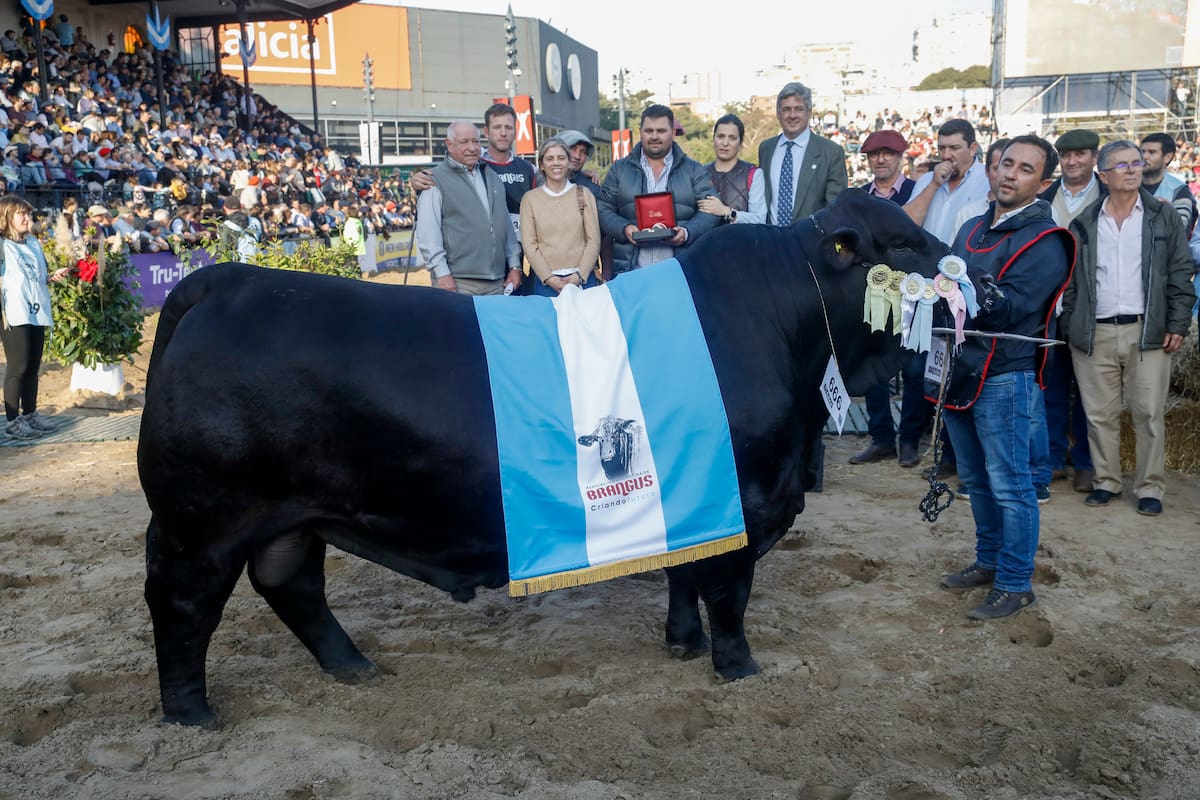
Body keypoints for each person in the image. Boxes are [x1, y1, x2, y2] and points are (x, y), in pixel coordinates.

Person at [937, 135, 1073, 619]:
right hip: (960, 368)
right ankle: (989, 560)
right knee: (975, 478)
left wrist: (966, 291)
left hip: (1004, 374)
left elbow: (1012, 308)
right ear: (994, 169)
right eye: (1006, 164)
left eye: (1025, 169)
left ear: (1044, 182)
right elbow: (945, 290)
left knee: (1011, 485)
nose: (1010, 174)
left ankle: (1016, 582)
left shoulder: (1048, 239)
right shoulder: (972, 226)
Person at [1060, 140, 1196, 517]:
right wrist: (1072, 325)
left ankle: (1150, 487)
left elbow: (1180, 272)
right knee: (1098, 414)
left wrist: (1177, 323)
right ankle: (1106, 482)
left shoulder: (1162, 216)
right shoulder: (1084, 222)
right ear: (1103, 175)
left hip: (1146, 331)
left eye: (1137, 162)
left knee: (1148, 413)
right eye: (1122, 165)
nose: (1134, 169)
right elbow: (1070, 281)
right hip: (1094, 331)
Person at [848, 129, 922, 466]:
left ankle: (908, 440)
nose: (880, 159)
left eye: (888, 153)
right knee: (874, 367)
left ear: (901, 157)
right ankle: (881, 437)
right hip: (872, 293)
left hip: (914, 293)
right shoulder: (860, 196)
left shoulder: (916, 191)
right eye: (874, 154)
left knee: (914, 370)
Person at [1039, 129, 1105, 493]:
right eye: (1066, 155)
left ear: (1094, 157)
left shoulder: (1110, 197)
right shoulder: (1044, 199)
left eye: (1080, 154)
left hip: (1094, 308)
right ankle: (1051, 460)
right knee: (1050, 386)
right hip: (1051, 306)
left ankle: (1084, 462)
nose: (1072, 161)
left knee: (1088, 391)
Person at [597, 104, 718, 276]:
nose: (654, 136)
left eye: (661, 131)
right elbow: (603, 208)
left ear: (673, 133)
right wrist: (624, 229)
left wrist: (686, 232)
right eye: (649, 131)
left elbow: (711, 211)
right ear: (640, 132)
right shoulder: (619, 169)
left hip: (679, 272)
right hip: (631, 272)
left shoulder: (693, 169)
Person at [415, 120, 522, 296]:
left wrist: (515, 265)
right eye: (464, 142)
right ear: (449, 145)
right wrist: (442, 274)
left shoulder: (493, 178)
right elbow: (427, 234)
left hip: (497, 282)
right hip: (457, 282)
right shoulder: (434, 180)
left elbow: (506, 227)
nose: (472, 147)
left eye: (476, 141)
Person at [1, 195, 69, 440]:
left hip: (37, 310)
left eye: (28, 214)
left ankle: (30, 415)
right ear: (7, 217)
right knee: (17, 367)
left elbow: (33, 277)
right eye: (22, 214)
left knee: (32, 367)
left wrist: (51, 277)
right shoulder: (1, 245)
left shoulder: (33, 244)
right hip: (14, 312)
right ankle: (12, 422)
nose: (27, 218)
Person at [518, 139, 600, 296]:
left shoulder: (584, 194)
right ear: (541, 164)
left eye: (561, 158)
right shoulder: (530, 199)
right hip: (545, 284)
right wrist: (548, 277)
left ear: (569, 162)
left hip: (582, 280)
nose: (556, 163)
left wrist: (579, 275)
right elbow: (530, 244)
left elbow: (593, 240)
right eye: (550, 158)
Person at [758, 82, 847, 226]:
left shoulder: (831, 152)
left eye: (799, 109)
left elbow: (836, 208)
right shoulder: (766, 149)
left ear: (809, 112)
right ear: (778, 113)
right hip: (770, 242)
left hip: (811, 244)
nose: (792, 115)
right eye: (786, 109)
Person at [904, 118, 991, 245]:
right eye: (941, 148)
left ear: (972, 148)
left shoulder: (987, 180)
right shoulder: (926, 180)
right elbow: (906, 224)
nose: (946, 155)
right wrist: (934, 185)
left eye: (954, 148)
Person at [697, 113, 768, 225]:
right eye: (720, 136)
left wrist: (727, 211)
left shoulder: (753, 174)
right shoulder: (700, 173)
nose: (725, 143)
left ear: (740, 142)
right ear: (713, 139)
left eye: (732, 138)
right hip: (706, 241)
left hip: (741, 241)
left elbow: (759, 219)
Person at [1139, 132, 1197, 234]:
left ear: (1168, 157)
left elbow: (1179, 229)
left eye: (1151, 152)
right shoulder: (1129, 185)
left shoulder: (1179, 191)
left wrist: (1166, 212)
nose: (1144, 157)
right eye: (1142, 152)